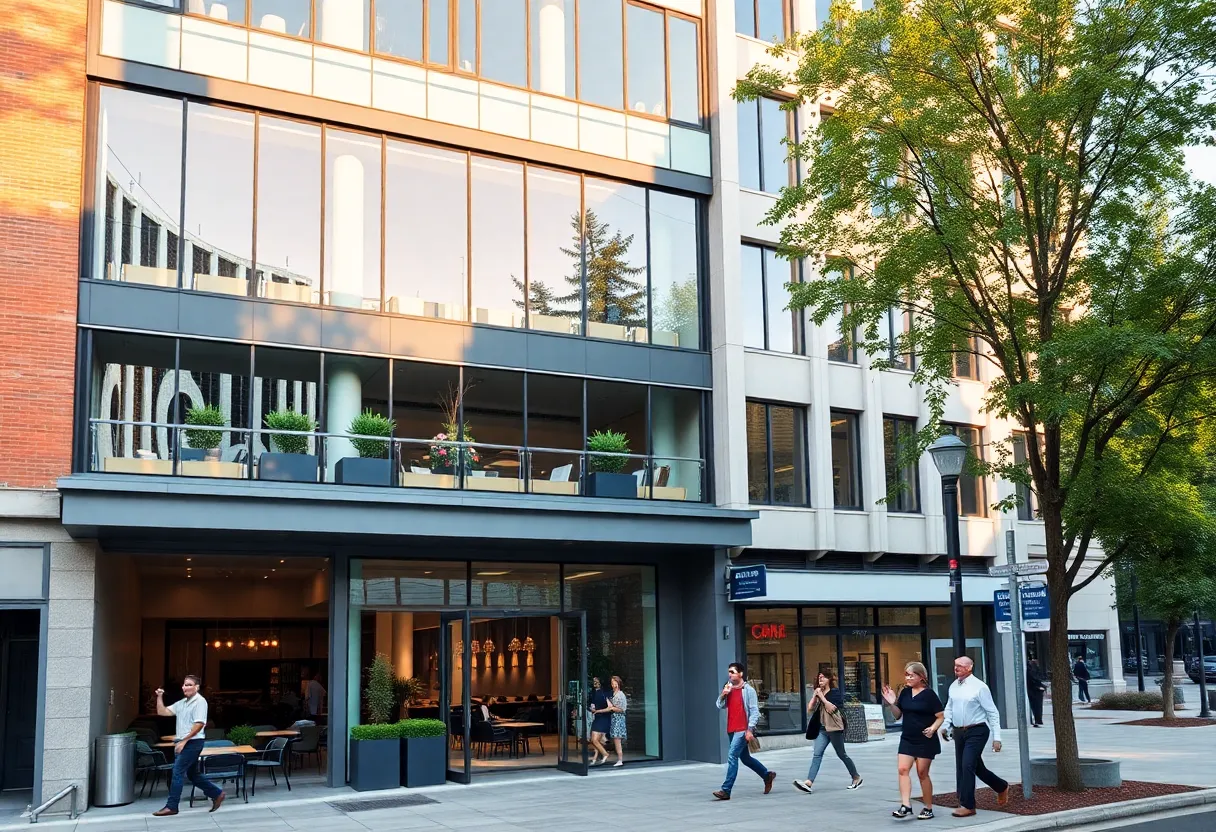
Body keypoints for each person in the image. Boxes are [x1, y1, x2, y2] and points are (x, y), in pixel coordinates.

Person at [941, 656, 1008, 818]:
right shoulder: (953, 686)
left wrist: (997, 737)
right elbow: (950, 707)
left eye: (960, 666)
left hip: (977, 730)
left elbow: (992, 712)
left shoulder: (980, 687)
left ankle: (968, 805)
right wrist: (946, 726)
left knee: (967, 765)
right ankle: (1001, 786)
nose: (956, 668)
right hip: (959, 732)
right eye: (955, 665)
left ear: (969, 667)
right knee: (977, 767)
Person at [151, 675, 225, 817]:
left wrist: (183, 741)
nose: (185, 687)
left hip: (192, 742)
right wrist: (159, 696)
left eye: (189, 685)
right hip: (186, 742)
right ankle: (217, 793)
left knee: (177, 772)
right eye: (184, 685)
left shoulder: (200, 702)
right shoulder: (182, 703)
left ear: (196, 687)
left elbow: (199, 724)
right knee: (192, 774)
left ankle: (172, 806)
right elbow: (162, 712)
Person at [882, 662, 944, 820]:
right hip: (907, 738)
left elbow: (940, 716)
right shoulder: (905, 692)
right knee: (902, 769)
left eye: (911, 675)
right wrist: (891, 703)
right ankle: (906, 805)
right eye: (906, 675)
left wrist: (933, 728)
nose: (908, 678)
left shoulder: (929, 695)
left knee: (922, 773)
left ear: (921, 676)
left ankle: (928, 807)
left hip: (925, 739)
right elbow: (898, 715)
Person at [794, 666, 863, 794]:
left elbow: (832, 709)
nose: (821, 679)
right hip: (821, 728)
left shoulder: (835, 693)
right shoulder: (818, 692)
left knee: (841, 754)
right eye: (819, 677)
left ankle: (856, 777)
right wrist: (815, 696)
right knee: (817, 754)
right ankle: (809, 782)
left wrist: (822, 697)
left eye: (824, 677)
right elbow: (809, 708)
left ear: (830, 679)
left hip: (834, 728)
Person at [713, 662, 776, 800]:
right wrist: (723, 694)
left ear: (740, 674)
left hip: (742, 729)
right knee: (745, 758)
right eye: (729, 672)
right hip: (731, 728)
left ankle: (726, 790)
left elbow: (754, 711)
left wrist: (750, 729)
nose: (730, 674)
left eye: (733, 672)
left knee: (732, 756)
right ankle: (767, 775)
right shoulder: (728, 688)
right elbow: (719, 705)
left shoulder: (748, 690)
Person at [588, 676, 612, 766]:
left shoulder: (604, 693)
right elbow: (592, 704)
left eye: (596, 681)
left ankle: (605, 754)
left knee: (594, 740)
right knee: (595, 740)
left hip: (603, 717)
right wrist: (591, 709)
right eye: (594, 681)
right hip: (597, 717)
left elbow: (610, 707)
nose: (595, 683)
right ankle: (595, 758)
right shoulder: (593, 692)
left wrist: (598, 710)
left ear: (600, 682)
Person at [606, 676, 628, 767]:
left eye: (615, 682)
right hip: (615, 718)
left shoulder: (620, 694)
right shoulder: (614, 693)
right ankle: (619, 759)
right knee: (616, 739)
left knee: (617, 739)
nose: (613, 684)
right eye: (612, 682)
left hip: (618, 719)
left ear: (618, 683)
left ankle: (620, 759)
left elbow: (622, 709)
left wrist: (612, 707)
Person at [1026, 659, 1047, 726]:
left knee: (1036, 707)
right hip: (1036, 690)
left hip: (1034, 690)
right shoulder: (1033, 670)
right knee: (1038, 706)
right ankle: (1038, 720)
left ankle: (1038, 719)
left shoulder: (1030, 670)